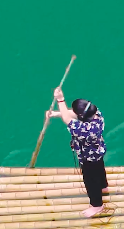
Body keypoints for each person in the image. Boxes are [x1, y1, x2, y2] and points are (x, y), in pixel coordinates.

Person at [46, 87, 108, 217]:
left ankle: (97, 205)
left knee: (90, 180)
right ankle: (104, 186)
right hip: (98, 150)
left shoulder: (85, 130)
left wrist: (60, 100)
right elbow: (76, 115)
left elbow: (68, 120)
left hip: (88, 158)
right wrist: (58, 113)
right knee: (100, 170)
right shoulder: (97, 114)